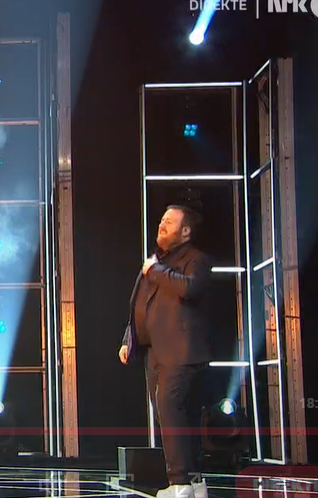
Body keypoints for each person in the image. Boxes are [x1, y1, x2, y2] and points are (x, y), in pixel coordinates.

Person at [118, 205, 212, 498]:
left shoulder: (195, 259)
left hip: (181, 350)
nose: (162, 225)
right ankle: (194, 481)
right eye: (161, 220)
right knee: (171, 416)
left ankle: (180, 482)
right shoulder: (156, 262)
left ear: (186, 231)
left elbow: (190, 289)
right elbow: (141, 303)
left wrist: (156, 271)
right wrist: (129, 338)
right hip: (155, 351)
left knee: (171, 409)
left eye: (169, 222)